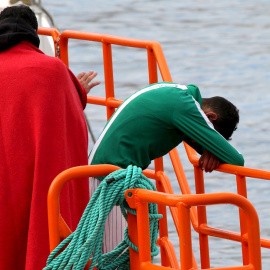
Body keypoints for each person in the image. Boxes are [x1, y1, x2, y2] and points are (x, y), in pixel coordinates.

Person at [0, 5, 100, 270]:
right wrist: (77, 88)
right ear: (33, 34)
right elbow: (63, 119)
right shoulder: (53, 70)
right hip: (39, 180)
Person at [89, 82, 244, 252]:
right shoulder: (184, 107)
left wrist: (211, 149)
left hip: (103, 172)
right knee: (119, 257)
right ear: (210, 117)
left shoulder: (177, 95)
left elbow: (203, 143)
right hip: (108, 178)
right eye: (210, 132)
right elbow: (236, 160)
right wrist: (214, 148)